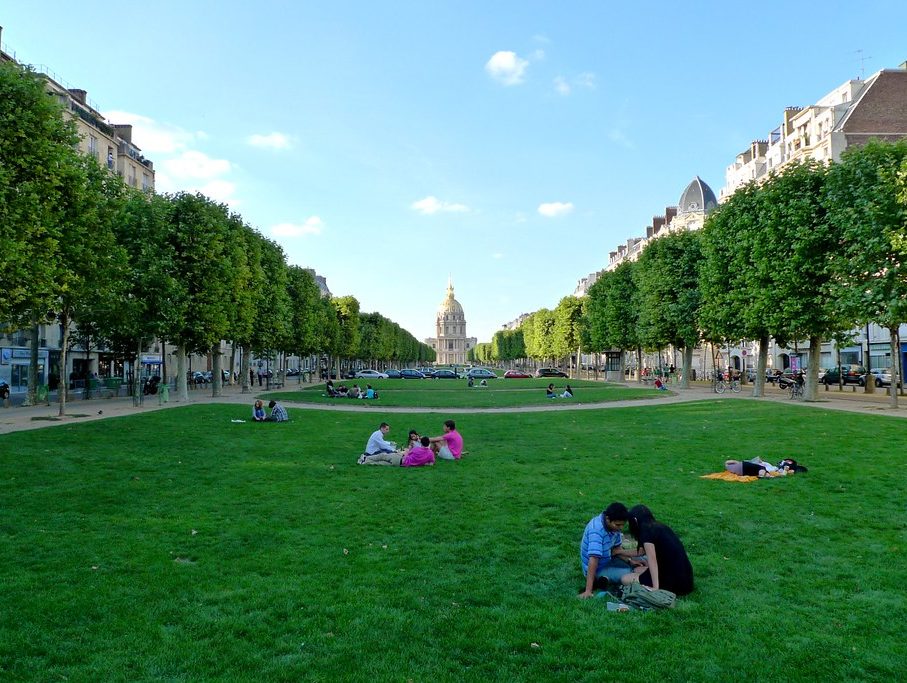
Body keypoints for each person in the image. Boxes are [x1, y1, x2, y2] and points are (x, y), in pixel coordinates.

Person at [624, 505, 694, 596]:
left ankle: (656, 585)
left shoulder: (646, 533)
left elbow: (652, 560)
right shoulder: (661, 527)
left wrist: (655, 587)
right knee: (637, 569)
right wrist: (619, 552)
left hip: (673, 583)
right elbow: (641, 552)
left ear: (635, 521)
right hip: (686, 579)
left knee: (625, 579)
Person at [578, 502, 640, 598]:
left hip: (609, 561)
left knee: (640, 560)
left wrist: (630, 561)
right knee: (631, 574)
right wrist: (588, 591)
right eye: (618, 525)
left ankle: (605, 579)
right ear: (607, 519)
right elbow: (593, 559)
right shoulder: (596, 531)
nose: (621, 528)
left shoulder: (614, 528)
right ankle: (599, 580)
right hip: (598, 568)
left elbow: (617, 549)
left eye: (622, 525)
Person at [361, 436, 436, 467]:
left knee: (383, 456)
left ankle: (365, 458)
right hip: (401, 465)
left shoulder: (416, 449)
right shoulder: (431, 453)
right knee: (381, 463)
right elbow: (431, 463)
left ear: (421, 443)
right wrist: (423, 462)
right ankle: (365, 462)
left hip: (401, 459)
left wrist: (404, 451)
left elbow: (407, 453)